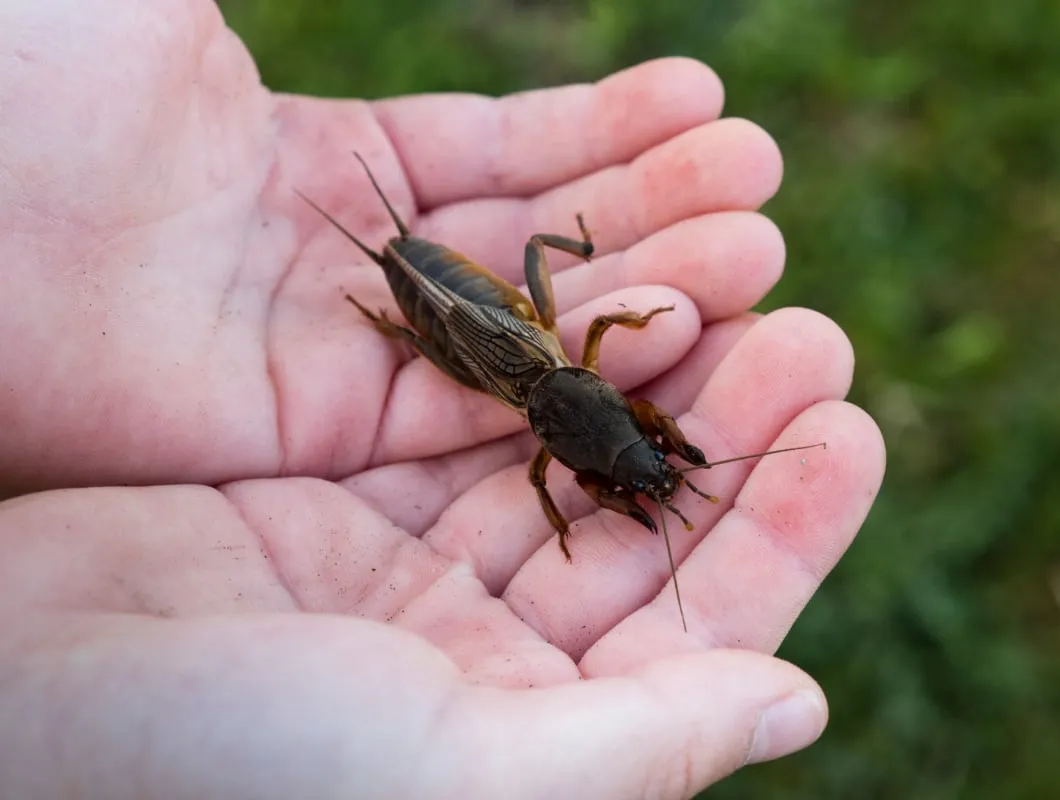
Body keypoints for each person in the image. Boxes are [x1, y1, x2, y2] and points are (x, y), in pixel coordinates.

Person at [0, 1, 885, 797]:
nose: (634, 451)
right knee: (429, 339)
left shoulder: (568, 397)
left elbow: (555, 481)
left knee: (438, 338)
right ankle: (383, 305)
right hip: (454, 304)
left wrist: (601, 495)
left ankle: (386, 301)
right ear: (595, 400)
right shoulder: (563, 413)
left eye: (619, 461)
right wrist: (580, 516)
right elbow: (553, 484)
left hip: (490, 319)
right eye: (628, 457)